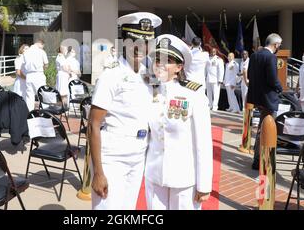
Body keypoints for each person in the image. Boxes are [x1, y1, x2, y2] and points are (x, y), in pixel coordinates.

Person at [89, 12, 162, 210]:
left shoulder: (148, 74)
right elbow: (94, 124)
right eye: (134, 41)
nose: (140, 47)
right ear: (124, 42)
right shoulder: (111, 76)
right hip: (113, 157)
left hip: (138, 156)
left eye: (146, 42)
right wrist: (98, 172)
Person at [145, 34, 213, 210]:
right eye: (157, 59)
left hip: (183, 177)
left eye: (166, 60)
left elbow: (203, 143)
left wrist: (203, 184)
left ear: (179, 67)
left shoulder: (194, 94)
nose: (159, 64)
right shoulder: (148, 91)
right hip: (155, 174)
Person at [248, 33, 283, 170]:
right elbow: (273, 79)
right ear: (275, 45)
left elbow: (250, 75)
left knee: (261, 129)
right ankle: (263, 159)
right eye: (279, 45)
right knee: (268, 129)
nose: (279, 48)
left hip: (257, 97)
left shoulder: (255, 55)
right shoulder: (271, 57)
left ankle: (258, 159)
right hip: (268, 98)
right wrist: (280, 89)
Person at [22, 39, 49, 111]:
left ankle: (29, 114)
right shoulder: (41, 51)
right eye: (43, 46)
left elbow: (24, 64)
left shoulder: (26, 52)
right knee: (42, 94)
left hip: (29, 75)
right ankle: (44, 113)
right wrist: (42, 68)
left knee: (29, 96)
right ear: (41, 44)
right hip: (38, 74)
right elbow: (46, 64)